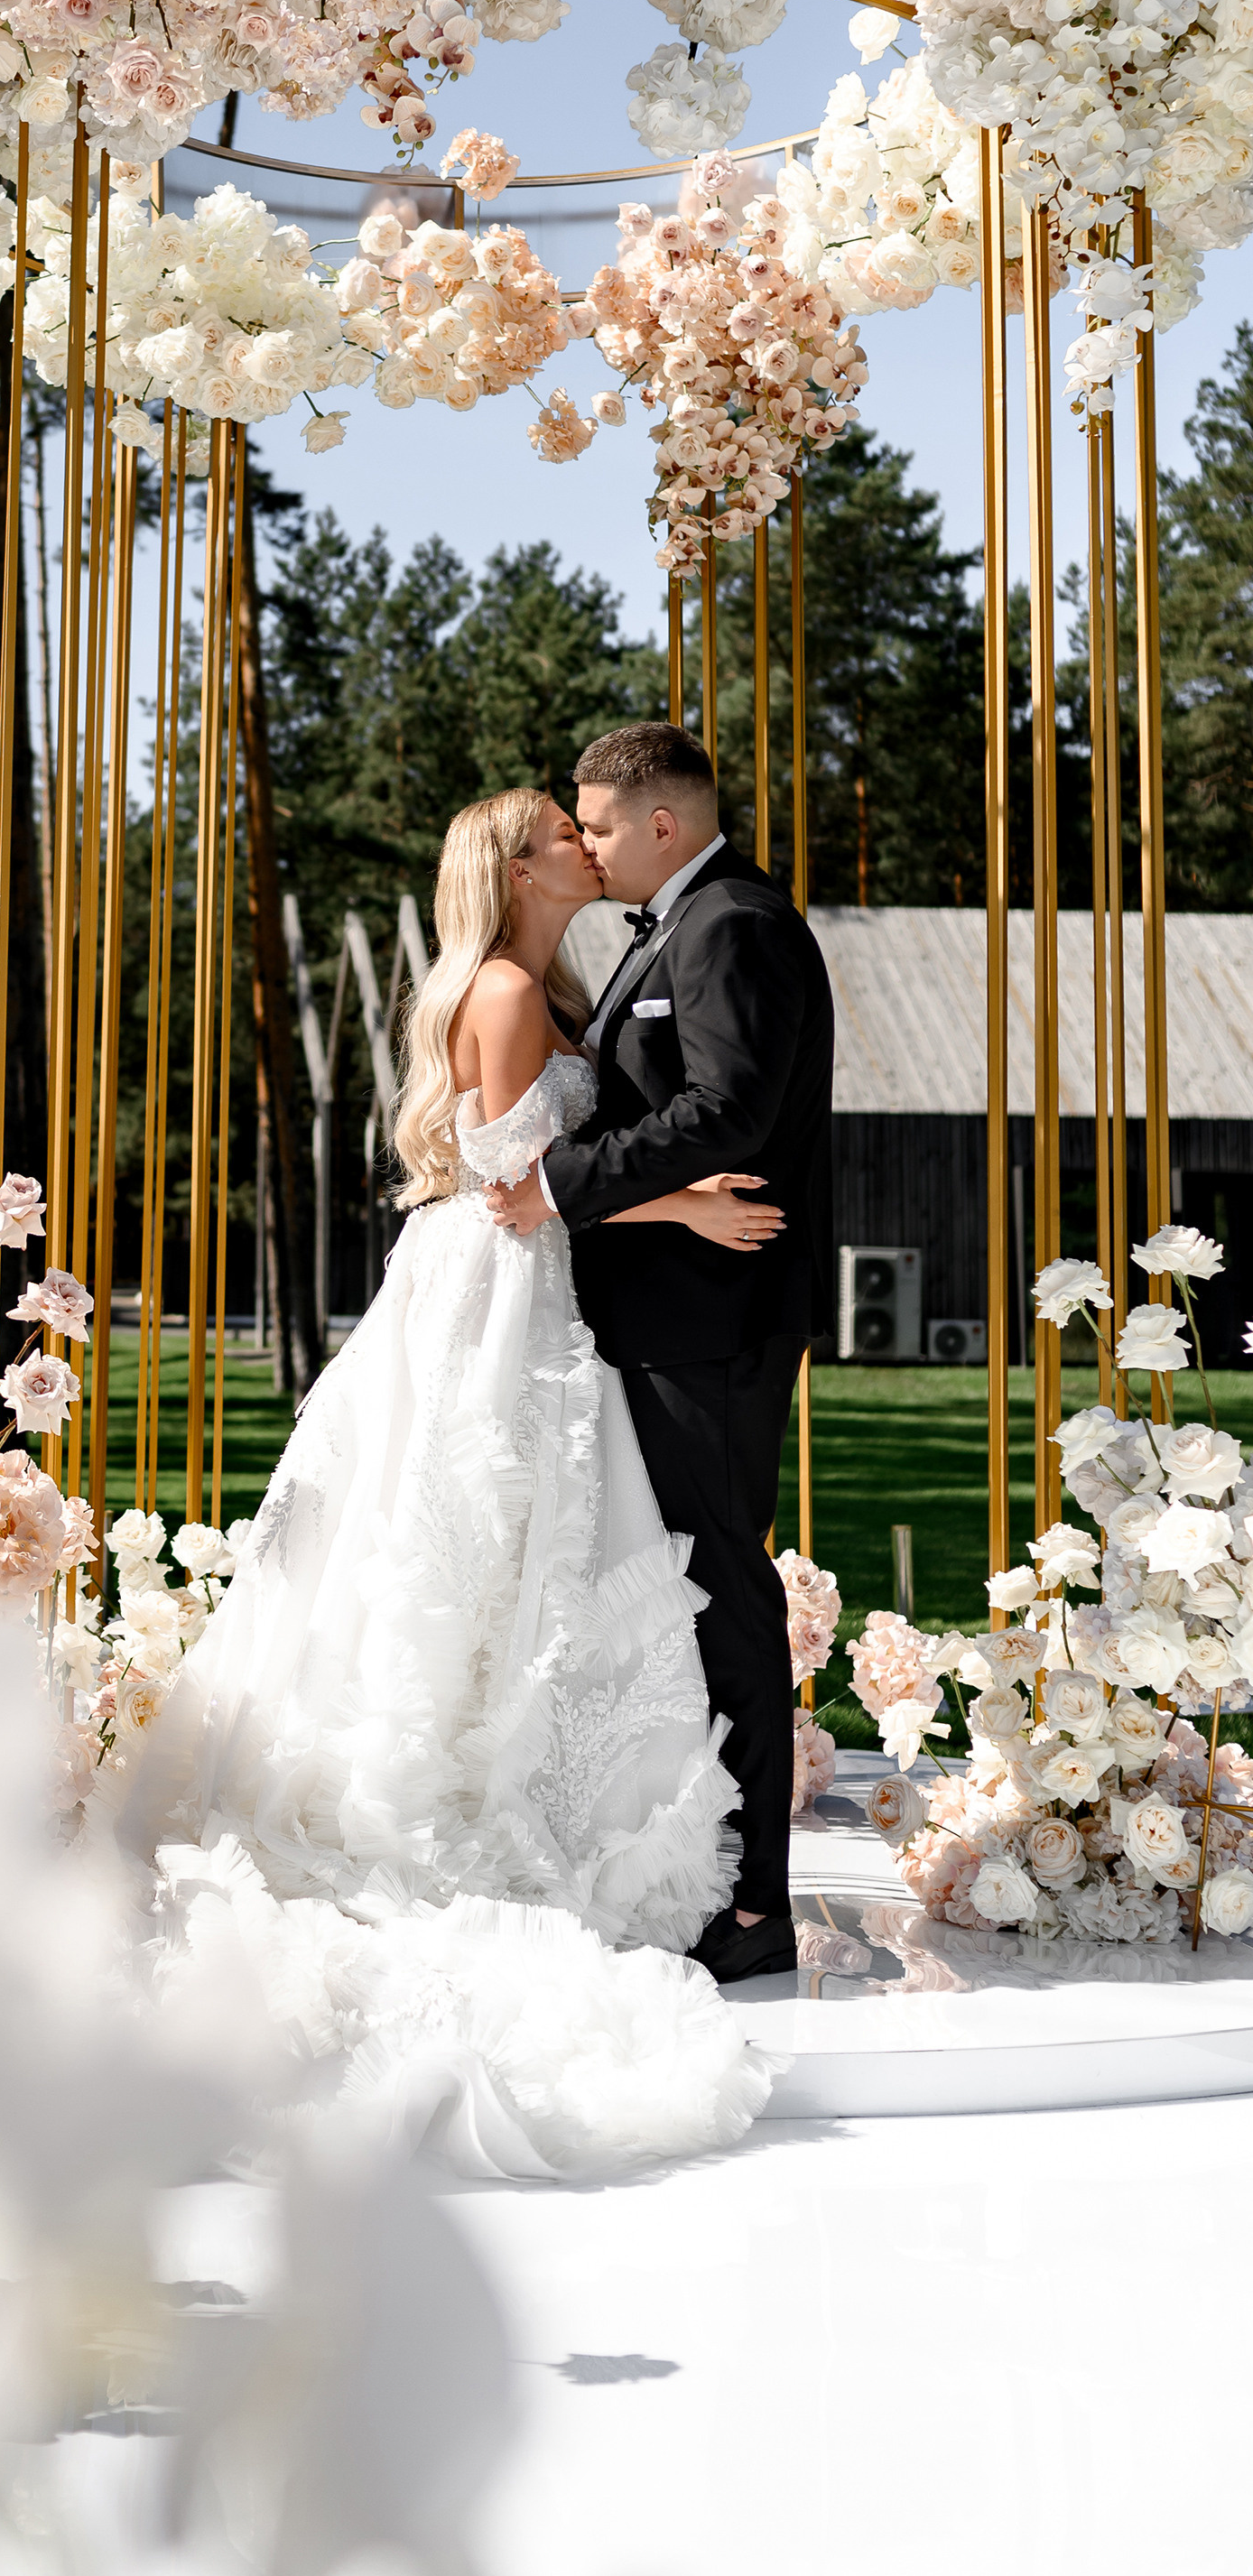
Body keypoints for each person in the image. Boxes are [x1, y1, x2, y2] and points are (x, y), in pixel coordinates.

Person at [131, 786, 785, 2178]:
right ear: (516, 863)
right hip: (493, 1286)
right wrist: (686, 1201)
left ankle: (519, 1767)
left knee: (506, 1544)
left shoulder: (541, 984)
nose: (580, 842)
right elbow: (508, 1174)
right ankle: (453, 1794)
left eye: (585, 821)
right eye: (561, 830)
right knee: (468, 1533)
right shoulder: (500, 987)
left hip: (522, 1286)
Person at [486, 721, 834, 1985]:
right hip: (663, 1309)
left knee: (721, 1582)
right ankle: (681, 1858)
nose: (585, 840)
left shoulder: (729, 923)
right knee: (675, 1582)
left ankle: (752, 1907)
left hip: (714, 1316)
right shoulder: (668, 932)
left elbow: (728, 1111)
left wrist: (562, 1178)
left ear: (663, 827)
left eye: (597, 820)